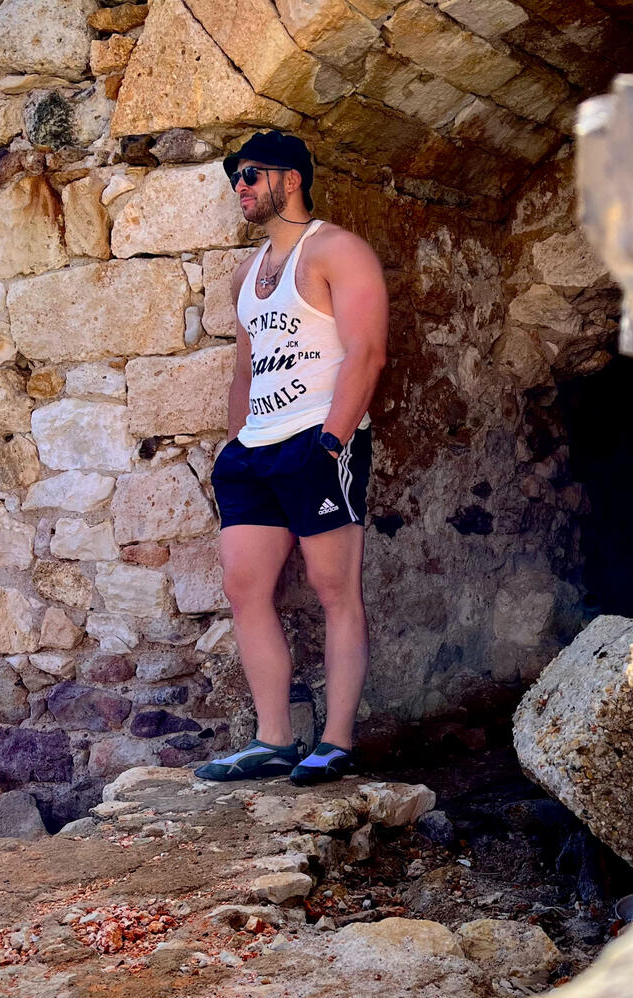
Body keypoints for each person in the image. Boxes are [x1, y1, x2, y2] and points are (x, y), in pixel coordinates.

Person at [195, 131, 388, 787]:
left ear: (291, 178)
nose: (241, 188)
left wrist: (330, 442)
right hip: (254, 455)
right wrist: (234, 444)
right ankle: (273, 738)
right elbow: (243, 372)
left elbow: (366, 354)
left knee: (336, 590)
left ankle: (335, 741)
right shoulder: (245, 275)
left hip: (318, 441)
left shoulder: (337, 250)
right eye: (235, 179)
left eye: (250, 175)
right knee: (244, 588)